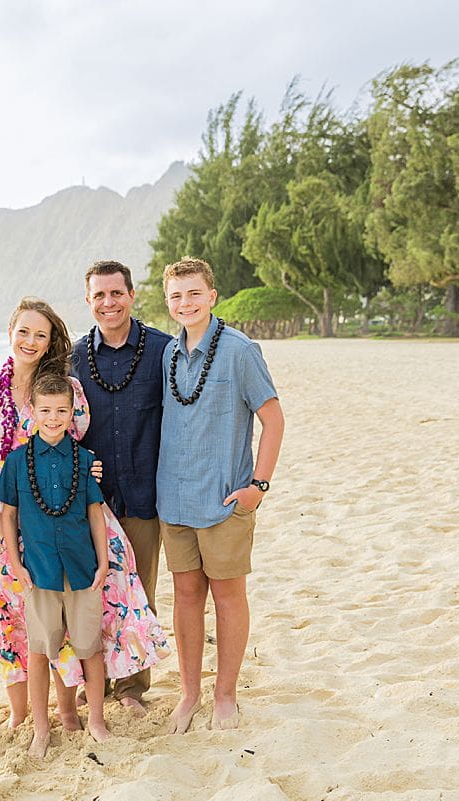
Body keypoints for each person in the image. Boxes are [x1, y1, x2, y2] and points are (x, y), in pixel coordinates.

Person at [0, 296, 167, 731]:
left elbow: (74, 449)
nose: (30, 340)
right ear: (9, 332)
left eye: (40, 334)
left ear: (50, 341)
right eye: (23, 331)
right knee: (10, 615)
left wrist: (91, 466)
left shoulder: (65, 390)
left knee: (62, 607)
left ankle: (67, 709)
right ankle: (20, 712)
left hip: (58, 516)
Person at [156, 258, 285, 734]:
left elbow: (273, 420)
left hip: (227, 497)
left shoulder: (239, 350)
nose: (185, 303)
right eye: (176, 296)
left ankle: (225, 695)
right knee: (186, 596)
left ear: (212, 295)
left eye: (193, 293)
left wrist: (259, 486)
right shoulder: (169, 354)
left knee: (229, 596)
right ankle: (190, 693)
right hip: (174, 497)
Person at [70, 260, 172, 715]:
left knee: (139, 592)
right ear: (88, 301)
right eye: (99, 296)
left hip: (144, 494)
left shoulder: (164, 352)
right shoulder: (71, 357)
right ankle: (88, 680)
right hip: (87, 500)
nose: (108, 303)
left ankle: (131, 688)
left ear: (131, 295)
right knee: (87, 592)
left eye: (116, 293)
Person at [0, 373, 111, 757]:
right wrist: (16, 562)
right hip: (40, 572)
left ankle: (95, 719)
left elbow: (95, 514)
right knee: (40, 651)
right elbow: (7, 515)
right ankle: (41, 729)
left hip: (82, 569)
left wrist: (103, 561)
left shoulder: (85, 460)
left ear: (71, 412)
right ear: (32, 412)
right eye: (45, 410)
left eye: (62, 410)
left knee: (89, 648)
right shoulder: (16, 462)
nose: (53, 418)